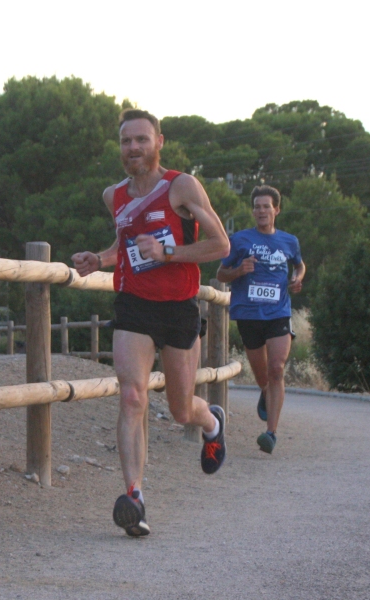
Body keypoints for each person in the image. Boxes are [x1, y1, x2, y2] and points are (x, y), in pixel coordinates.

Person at [72, 109, 230, 537]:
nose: (134, 148)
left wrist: (169, 255)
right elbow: (123, 246)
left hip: (178, 307)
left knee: (181, 410)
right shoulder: (114, 196)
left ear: (159, 141)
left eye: (142, 139)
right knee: (132, 397)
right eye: (126, 141)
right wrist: (99, 260)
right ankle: (134, 497)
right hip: (134, 304)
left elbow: (220, 244)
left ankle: (211, 421)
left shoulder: (180, 186)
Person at [217, 185, 305, 454]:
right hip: (249, 314)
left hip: (278, 312)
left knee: (277, 368)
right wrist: (239, 270)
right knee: (263, 376)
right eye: (257, 206)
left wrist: (298, 277)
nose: (261, 211)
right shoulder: (240, 240)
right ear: (253, 211)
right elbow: (221, 274)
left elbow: (299, 264)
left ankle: (271, 433)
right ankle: (266, 391)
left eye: (266, 206)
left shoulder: (289, 241)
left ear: (276, 210)